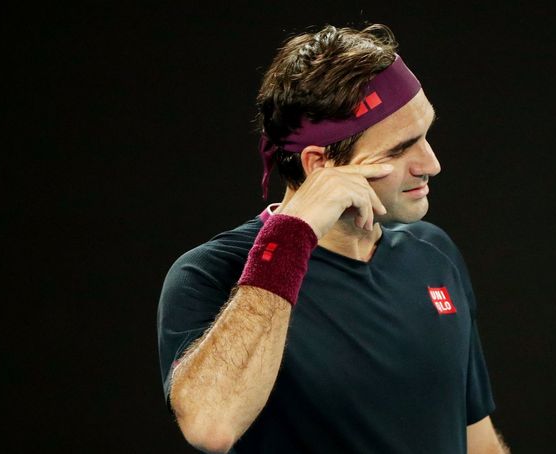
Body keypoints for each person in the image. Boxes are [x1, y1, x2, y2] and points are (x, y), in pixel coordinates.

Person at [157, 24, 509, 453]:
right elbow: (212, 426)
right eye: (399, 150)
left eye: (425, 136)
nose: (430, 164)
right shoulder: (211, 272)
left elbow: (477, 441)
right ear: (319, 165)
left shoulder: (433, 254)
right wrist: (292, 235)